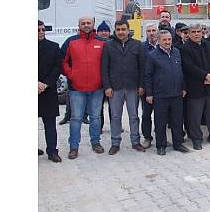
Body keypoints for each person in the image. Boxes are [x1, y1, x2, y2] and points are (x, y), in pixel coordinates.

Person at [62, 16, 106, 159]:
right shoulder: (71, 41)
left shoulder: (102, 42)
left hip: (97, 88)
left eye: (89, 23)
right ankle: (74, 146)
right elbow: (63, 61)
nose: (86, 25)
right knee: (76, 118)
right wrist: (71, 74)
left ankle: (95, 142)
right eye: (83, 23)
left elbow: (107, 63)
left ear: (93, 24)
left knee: (95, 117)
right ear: (79, 25)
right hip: (77, 88)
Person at [101, 20, 146, 155]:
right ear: (115, 31)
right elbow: (104, 69)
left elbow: (142, 67)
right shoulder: (108, 45)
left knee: (133, 116)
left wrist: (141, 85)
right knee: (115, 116)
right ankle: (115, 143)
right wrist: (107, 86)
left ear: (128, 30)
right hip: (115, 87)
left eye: (123, 29)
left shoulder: (137, 44)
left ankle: (136, 142)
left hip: (133, 86)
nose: (121, 32)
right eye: (118, 29)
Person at [181, 24, 210, 150]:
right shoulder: (184, 48)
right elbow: (189, 67)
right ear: (189, 33)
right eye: (194, 32)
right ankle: (196, 138)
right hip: (196, 86)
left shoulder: (208, 45)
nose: (197, 34)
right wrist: (205, 76)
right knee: (195, 115)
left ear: (202, 32)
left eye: (199, 31)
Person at [144, 30, 189, 155]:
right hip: (160, 95)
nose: (167, 42)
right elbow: (147, 75)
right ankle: (161, 145)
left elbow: (181, 72)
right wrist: (149, 93)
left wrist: (183, 87)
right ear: (158, 40)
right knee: (160, 121)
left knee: (177, 120)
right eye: (164, 40)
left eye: (169, 39)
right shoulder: (152, 55)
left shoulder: (176, 52)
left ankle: (178, 143)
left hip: (177, 94)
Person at [38, 20, 63, 162]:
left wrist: (45, 84)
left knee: (50, 123)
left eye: (42, 30)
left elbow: (57, 68)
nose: (41, 32)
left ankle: (52, 151)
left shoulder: (54, 47)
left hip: (47, 90)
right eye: (38, 30)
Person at [141, 24, 158, 148]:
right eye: (149, 31)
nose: (151, 33)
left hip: (161, 87)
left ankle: (160, 136)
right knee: (146, 114)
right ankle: (147, 138)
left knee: (161, 115)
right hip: (147, 87)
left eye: (153, 30)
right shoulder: (141, 48)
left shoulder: (164, 46)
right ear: (145, 33)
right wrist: (141, 87)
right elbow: (138, 69)